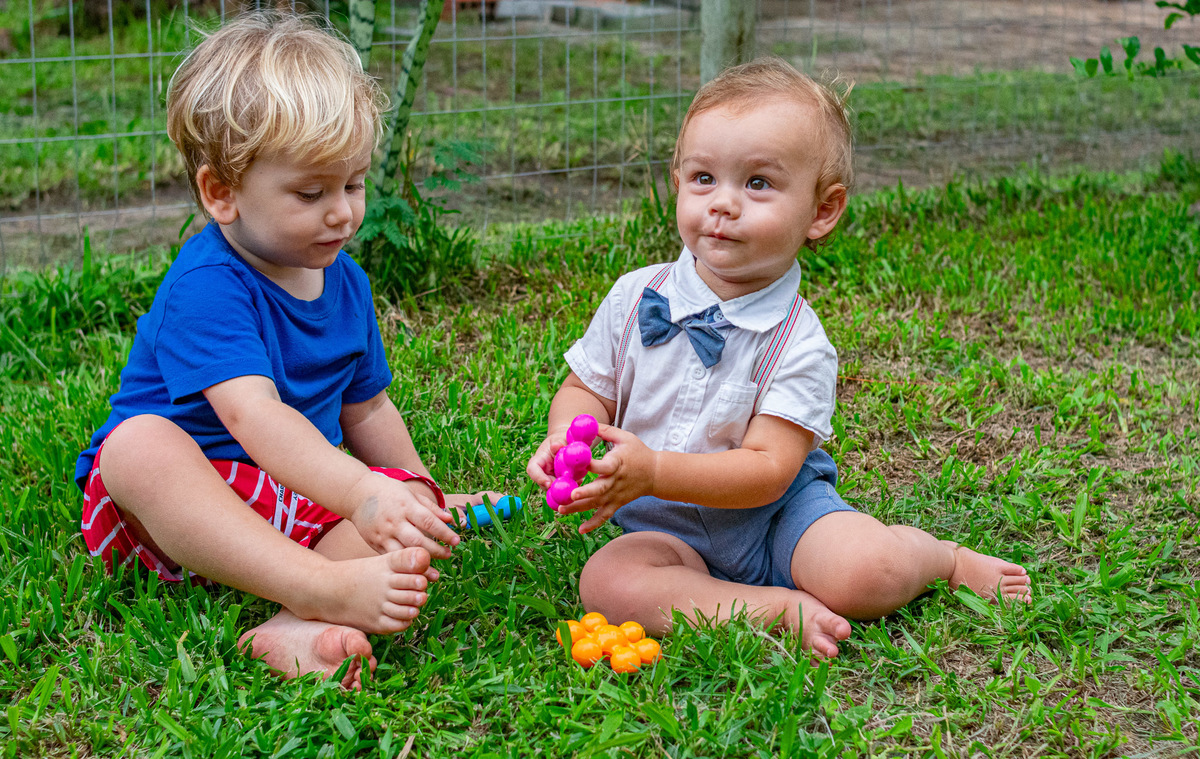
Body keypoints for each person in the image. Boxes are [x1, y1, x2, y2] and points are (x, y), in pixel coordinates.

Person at [526, 58, 1032, 658]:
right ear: (677, 181)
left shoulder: (799, 341)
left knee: (864, 573)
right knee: (608, 582)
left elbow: (768, 469)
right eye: (704, 178)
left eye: (759, 183)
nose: (723, 203)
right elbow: (585, 389)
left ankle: (941, 559)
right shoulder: (635, 296)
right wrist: (567, 436)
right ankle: (768, 610)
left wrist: (655, 469)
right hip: (661, 527)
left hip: (778, 520)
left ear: (822, 211)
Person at [75, 11, 501, 689]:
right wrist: (360, 490)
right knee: (137, 445)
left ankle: (288, 627)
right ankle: (315, 585)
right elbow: (254, 417)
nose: (342, 212)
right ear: (221, 193)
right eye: (311, 192)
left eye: (353, 184)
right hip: (185, 509)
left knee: (405, 524)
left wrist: (419, 495)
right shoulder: (207, 286)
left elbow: (367, 409)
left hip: (298, 500)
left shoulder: (346, 282)